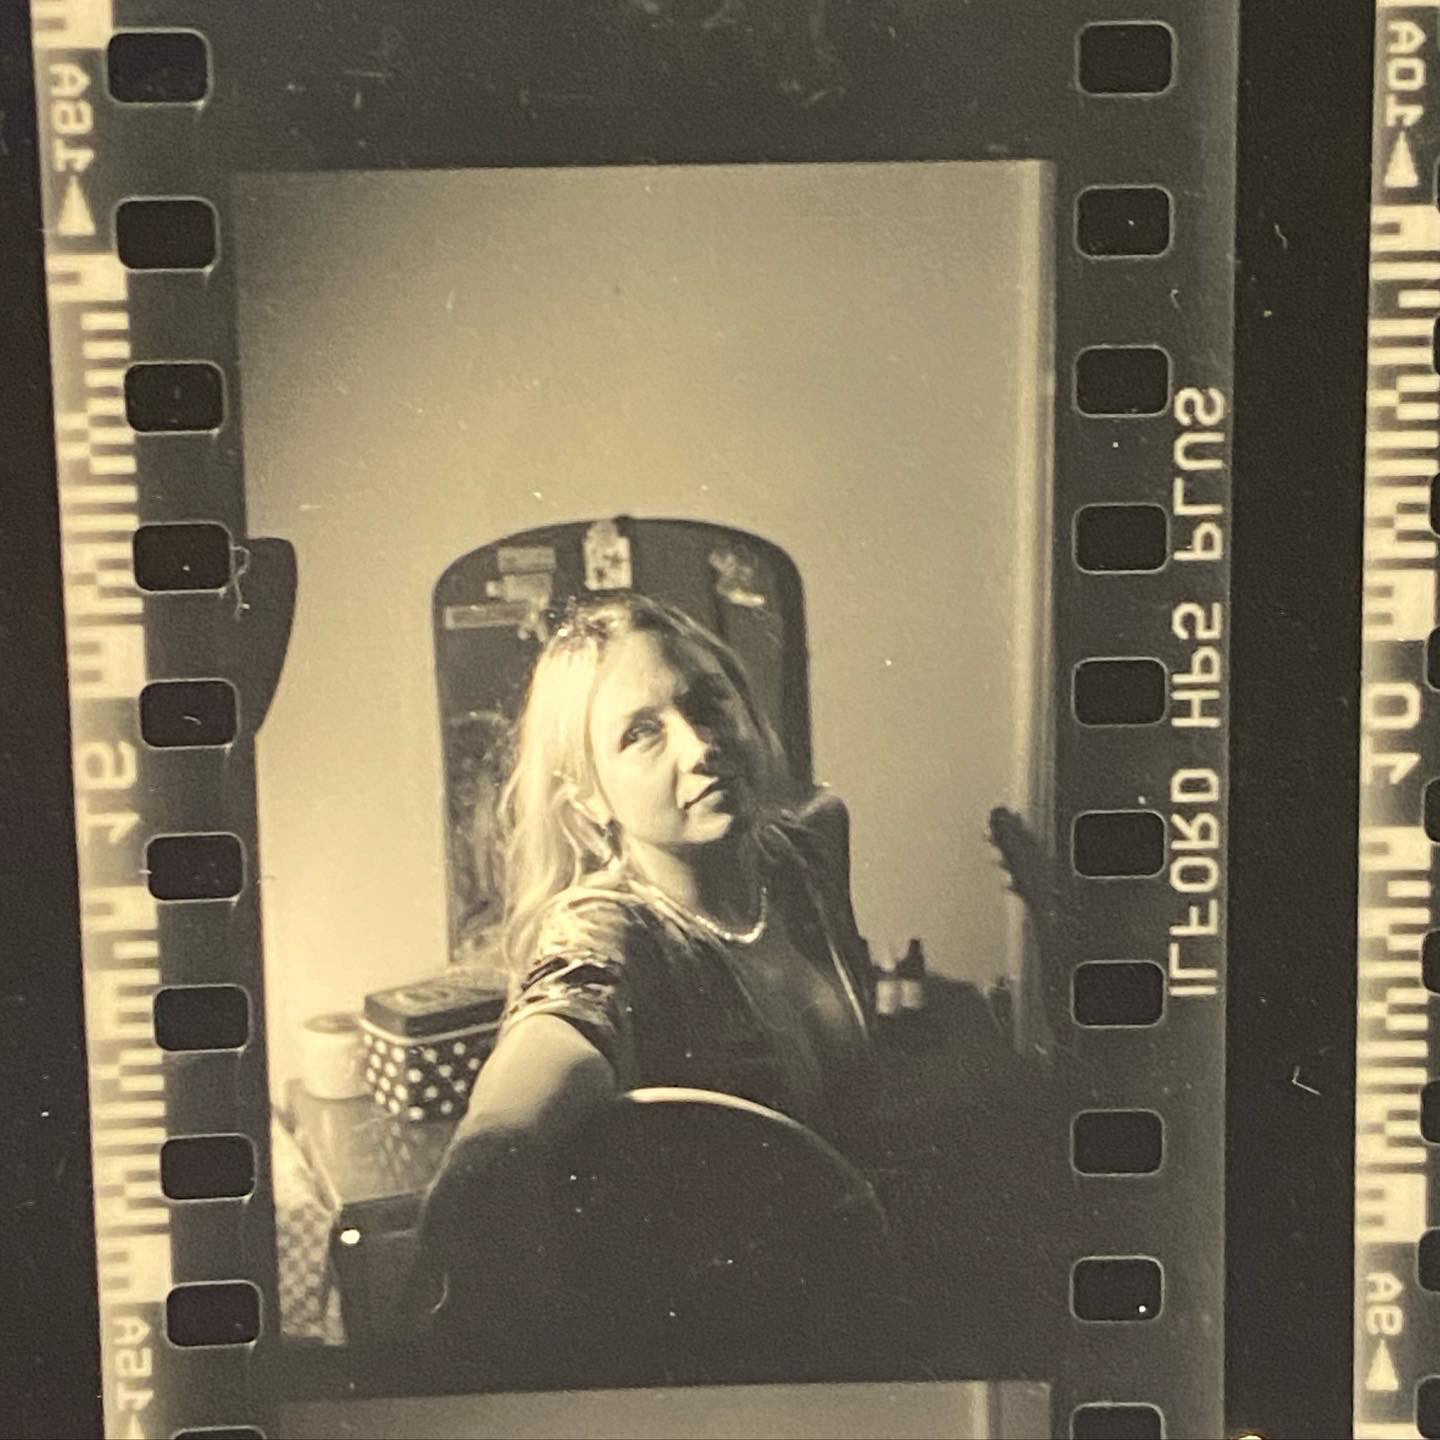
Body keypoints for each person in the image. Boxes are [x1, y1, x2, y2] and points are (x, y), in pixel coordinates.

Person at [415, 593, 885, 1380]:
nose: (700, 746)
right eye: (641, 733)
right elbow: (547, 1047)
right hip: (726, 1355)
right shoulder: (606, 930)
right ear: (588, 794)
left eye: (708, 702)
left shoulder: (807, 849)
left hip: (852, 1290)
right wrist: (491, 1146)